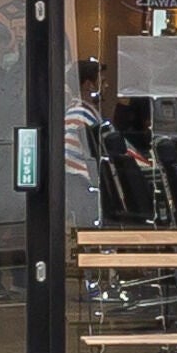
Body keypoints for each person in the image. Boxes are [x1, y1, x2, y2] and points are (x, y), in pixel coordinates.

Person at [63, 59, 103, 227]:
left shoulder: (77, 112)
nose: (105, 86)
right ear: (89, 85)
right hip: (85, 185)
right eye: (102, 82)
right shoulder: (81, 116)